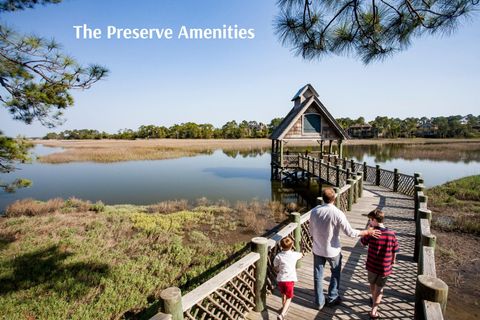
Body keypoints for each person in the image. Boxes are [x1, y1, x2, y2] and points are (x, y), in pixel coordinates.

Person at [309, 187, 381, 310]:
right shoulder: (338, 213)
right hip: (333, 250)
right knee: (335, 274)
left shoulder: (314, 211)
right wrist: (367, 232)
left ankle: (319, 302)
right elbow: (350, 233)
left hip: (317, 248)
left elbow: (311, 231)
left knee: (318, 276)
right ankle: (332, 298)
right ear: (334, 198)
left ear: (323, 198)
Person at [361, 209, 399, 319]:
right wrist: (393, 260)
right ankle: (374, 310)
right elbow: (395, 250)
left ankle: (373, 302)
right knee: (379, 288)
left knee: (372, 285)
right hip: (384, 267)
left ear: (374, 220)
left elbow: (362, 243)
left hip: (372, 266)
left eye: (370, 220)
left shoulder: (372, 233)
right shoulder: (391, 234)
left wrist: (367, 230)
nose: (369, 222)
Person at [273, 236, 303, 320]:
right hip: (289, 280)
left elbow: (275, 266)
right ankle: (282, 314)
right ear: (292, 245)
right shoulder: (294, 255)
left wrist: (277, 270)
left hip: (281, 279)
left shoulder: (278, 256)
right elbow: (301, 255)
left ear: (281, 246)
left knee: (283, 295)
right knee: (289, 297)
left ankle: (284, 309)